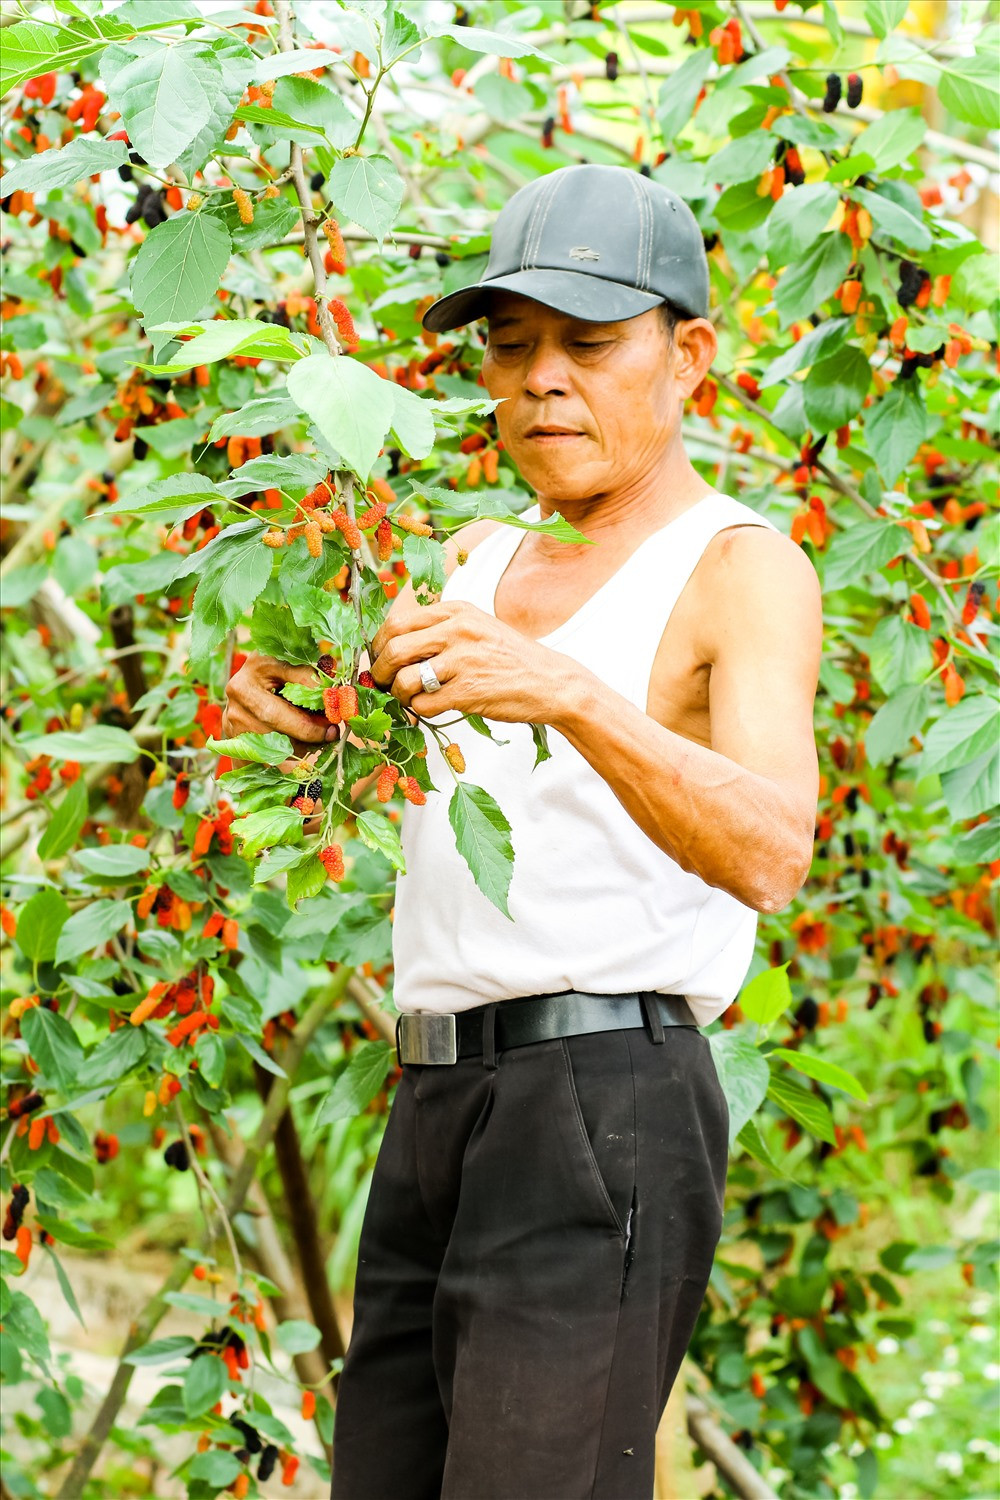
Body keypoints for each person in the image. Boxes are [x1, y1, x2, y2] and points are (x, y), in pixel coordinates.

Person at [225, 163, 822, 1500]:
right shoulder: (482, 562)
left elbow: (775, 848)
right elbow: (406, 724)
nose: (544, 377)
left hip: (603, 1101)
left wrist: (566, 690)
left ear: (691, 357)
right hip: (439, 1099)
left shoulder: (739, 569)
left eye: (592, 343)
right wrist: (303, 701)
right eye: (512, 343)